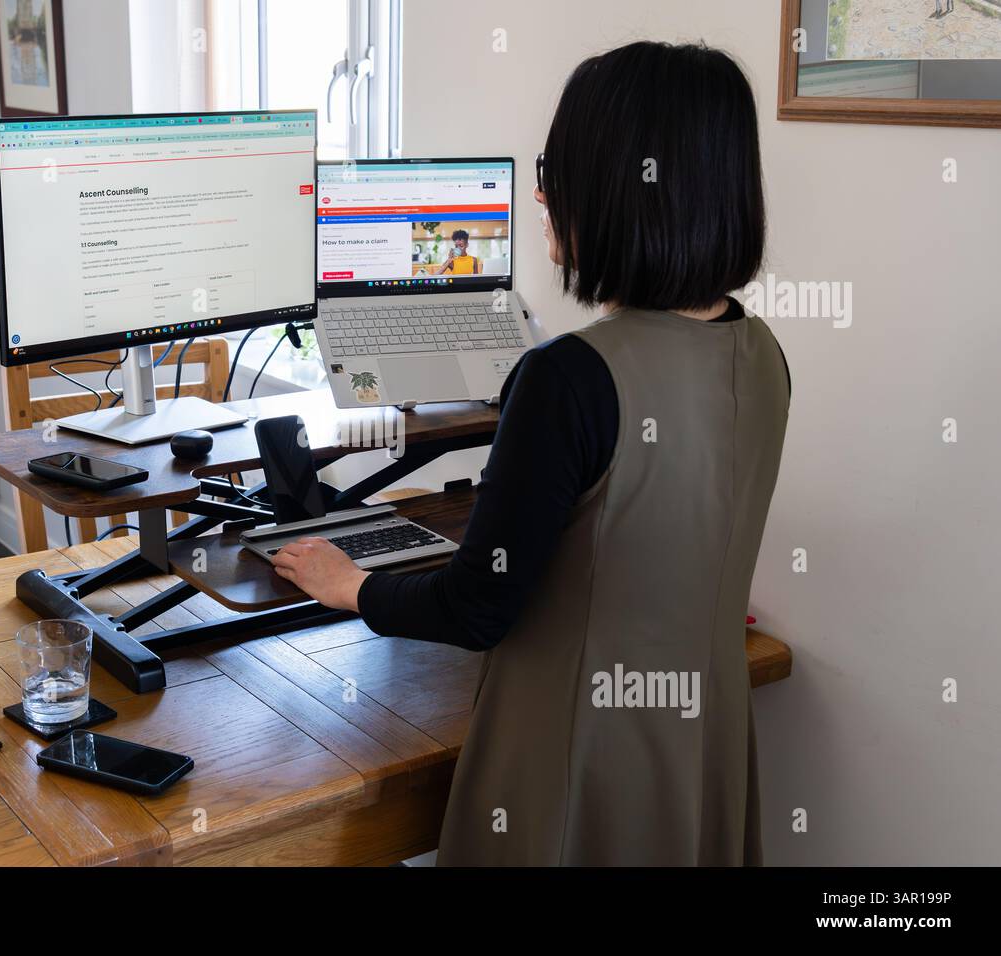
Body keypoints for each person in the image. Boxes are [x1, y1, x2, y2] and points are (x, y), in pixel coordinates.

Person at [273, 40, 790, 866]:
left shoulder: (569, 376)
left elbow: (479, 608)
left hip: (576, 761)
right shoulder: (763, 352)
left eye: (554, 167)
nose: (544, 192)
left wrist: (353, 585)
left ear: (613, 188)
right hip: (703, 750)